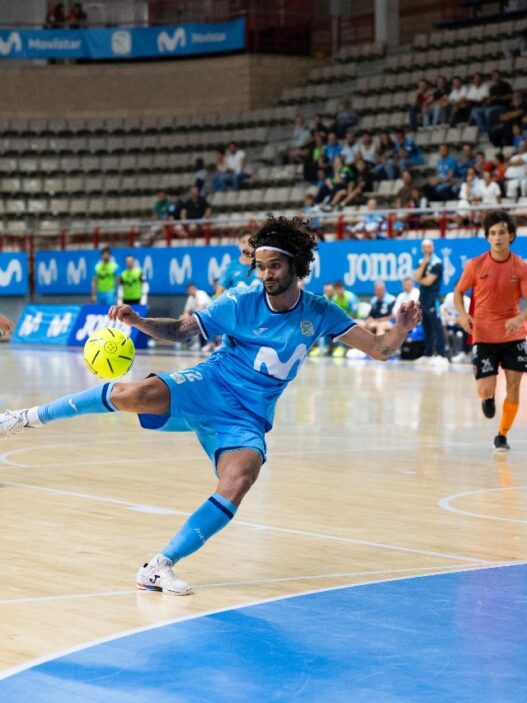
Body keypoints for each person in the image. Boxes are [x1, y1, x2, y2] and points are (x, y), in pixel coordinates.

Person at [0, 216, 421, 594]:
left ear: (297, 265)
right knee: (133, 394)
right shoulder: (239, 300)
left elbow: (381, 350)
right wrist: (140, 322)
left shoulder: (320, 311)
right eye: (261, 265)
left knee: (240, 479)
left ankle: (158, 566)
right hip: (211, 382)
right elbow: (184, 329)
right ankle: (24, 418)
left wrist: (401, 329)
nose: (267, 274)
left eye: (274, 265)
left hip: (248, 415)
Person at [454, 210, 527, 452]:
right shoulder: (475, 265)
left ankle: (502, 435)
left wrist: (520, 317)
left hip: (513, 334)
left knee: (514, 387)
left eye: (502, 233)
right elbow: (458, 293)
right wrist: (463, 315)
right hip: (483, 334)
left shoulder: (520, 266)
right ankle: (487, 399)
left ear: (512, 236)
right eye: (493, 233)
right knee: (486, 388)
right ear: (487, 237)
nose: (498, 237)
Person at [414, 239, 448, 365]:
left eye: (429, 246)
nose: (427, 249)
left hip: (432, 299)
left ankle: (442, 354)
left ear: (433, 247)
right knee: (426, 326)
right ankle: (428, 354)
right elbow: (416, 277)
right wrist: (424, 265)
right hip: (422, 298)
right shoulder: (420, 262)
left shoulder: (437, 263)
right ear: (422, 249)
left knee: (436, 327)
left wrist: (419, 278)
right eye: (424, 247)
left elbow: (428, 281)